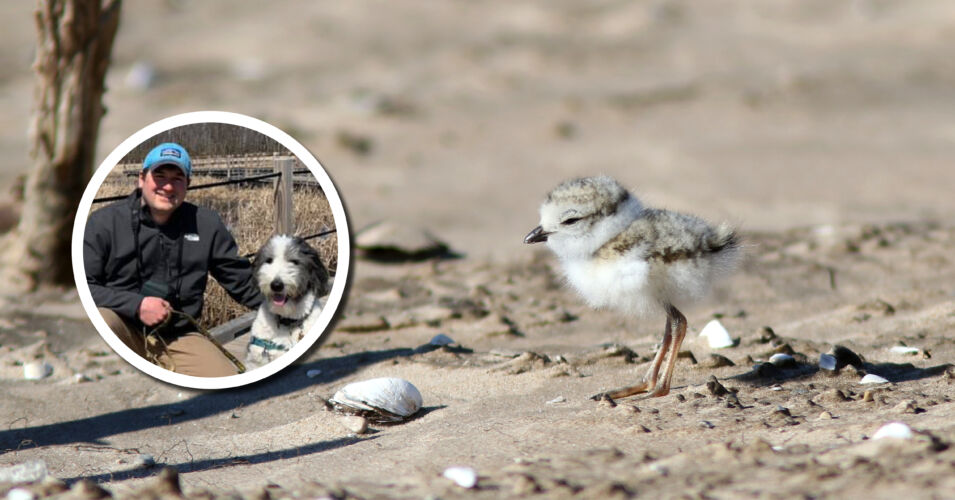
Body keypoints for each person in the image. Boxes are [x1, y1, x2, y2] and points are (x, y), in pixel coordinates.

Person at [84, 142, 263, 377]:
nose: (168, 186)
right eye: (159, 176)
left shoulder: (206, 224)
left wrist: (287, 307)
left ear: (188, 184)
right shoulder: (103, 223)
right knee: (102, 319)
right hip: (124, 327)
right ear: (142, 178)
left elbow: (240, 281)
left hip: (177, 334)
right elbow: (84, 288)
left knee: (226, 381)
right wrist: (137, 305)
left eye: (177, 178)